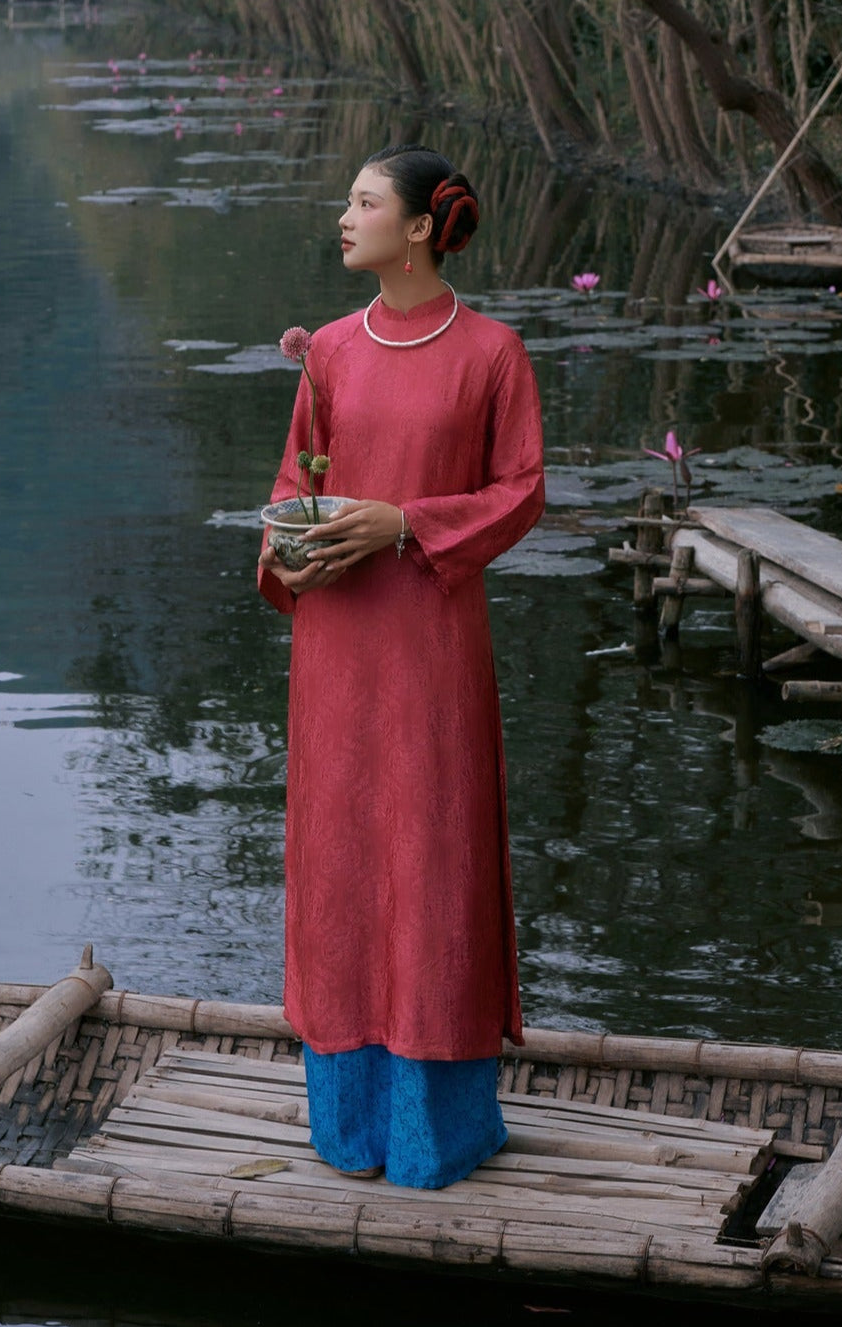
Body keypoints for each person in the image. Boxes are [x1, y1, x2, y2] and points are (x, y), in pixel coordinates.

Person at [257, 144, 545, 1189]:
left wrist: (405, 522)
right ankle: (348, 1127)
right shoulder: (330, 350)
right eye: (349, 200)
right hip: (335, 643)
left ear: (421, 227)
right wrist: (290, 545)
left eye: (365, 201)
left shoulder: (492, 354)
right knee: (337, 855)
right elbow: (293, 480)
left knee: (434, 854)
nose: (345, 216)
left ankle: (435, 1135)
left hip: (431, 644)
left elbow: (519, 491)